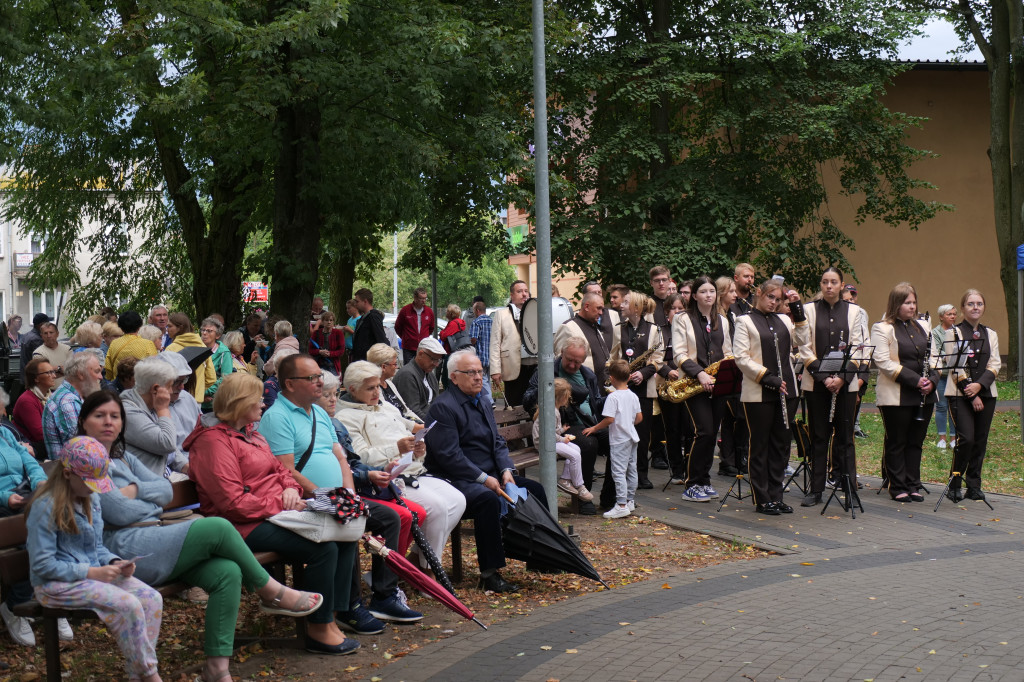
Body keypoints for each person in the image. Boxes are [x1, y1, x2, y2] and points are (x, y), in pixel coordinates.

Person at [79, 391, 322, 679]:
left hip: (155, 538)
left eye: (115, 416)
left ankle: (217, 670)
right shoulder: (82, 459)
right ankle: (270, 591)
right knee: (217, 526)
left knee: (227, 572)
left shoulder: (124, 458)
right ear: (83, 421)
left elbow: (165, 491)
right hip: (121, 551)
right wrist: (142, 499)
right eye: (99, 415)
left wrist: (133, 492)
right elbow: (118, 512)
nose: (108, 422)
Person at [184, 372, 361, 656]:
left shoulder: (252, 434)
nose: (263, 405)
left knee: (343, 533)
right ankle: (317, 627)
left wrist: (291, 489)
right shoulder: (213, 443)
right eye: (256, 400)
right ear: (239, 403)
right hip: (241, 526)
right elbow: (231, 503)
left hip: (274, 513)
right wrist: (281, 502)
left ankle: (332, 616)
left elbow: (281, 471)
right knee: (323, 548)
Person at [258, 354, 421, 623]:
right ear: (289, 384)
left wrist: (349, 496)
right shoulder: (277, 418)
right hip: (304, 502)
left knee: (388, 517)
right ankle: (347, 607)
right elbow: (285, 471)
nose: (319, 383)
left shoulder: (319, 413)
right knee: (343, 529)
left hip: (337, 497)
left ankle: (382, 596)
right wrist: (326, 498)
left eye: (319, 376)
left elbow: (341, 457)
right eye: (311, 378)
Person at [26, 436, 164, 681]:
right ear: (68, 474)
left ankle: (137, 674)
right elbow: (42, 565)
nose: (94, 488)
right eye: (90, 482)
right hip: (54, 585)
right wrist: (91, 573)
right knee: (128, 604)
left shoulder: (91, 499)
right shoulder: (45, 506)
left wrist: (114, 562)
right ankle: (150, 675)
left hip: (89, 576)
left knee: (151, 598)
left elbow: (97, 548)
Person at [424, 349, 547, 593]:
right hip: (456, 480)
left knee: (536, 490)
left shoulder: (481, 400)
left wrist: (506, 470)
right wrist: (483, 478)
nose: (479, 377)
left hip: (492, 473)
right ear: (454, 377)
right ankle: (489, 574)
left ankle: (539, 557)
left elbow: (497, 442)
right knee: (487, 500)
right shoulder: (443, 407)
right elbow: (449, 456)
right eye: (471, 372)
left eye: (481, 372)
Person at [336, 363, 467, 571]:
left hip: (415, 471)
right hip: (387, 479)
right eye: (370, 388)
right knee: (438, 507)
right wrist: (396, 448)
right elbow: (360, 457)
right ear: (352, 389)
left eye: (378, 386)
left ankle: (416, 560)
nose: (377, 392)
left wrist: (418, 450)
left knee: (458, 500)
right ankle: (429, 569)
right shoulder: (345, 418)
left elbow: (409, 435)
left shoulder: (387, 406)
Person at [734, 279, 808, 515]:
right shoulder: (744, 321)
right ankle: (762, 497)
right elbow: (741, 358)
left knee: (781, 445)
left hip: (787, 391)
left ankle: (776, 495)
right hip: (759, 391)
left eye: (778, 299)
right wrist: (767, 377)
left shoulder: (785, 319)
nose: (774, 303)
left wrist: (797, 308)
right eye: (771, 297)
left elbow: (804, 341)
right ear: (759, 293)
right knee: (760, 445)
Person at [797, 267, 867, 507]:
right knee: (819, 436)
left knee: (846, 437)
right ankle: (815, 489)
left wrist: (842, 378)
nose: (829, 286)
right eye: (825, 282)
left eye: (833, 282)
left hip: (845, 384)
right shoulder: (808, 310)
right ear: (821, 284)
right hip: (817, 383)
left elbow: (859, 346)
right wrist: (825, 377)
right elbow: (803, 346)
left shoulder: (855, 312)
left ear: (841, 285)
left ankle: (849, 489)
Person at [871, 283, 938, 503]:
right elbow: (882, 361)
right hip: (896, 394)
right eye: (907, 303)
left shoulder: (923, 327)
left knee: (915, 441)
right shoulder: (882, 328)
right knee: (897, 441)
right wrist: (916, 380)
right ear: (896, 304)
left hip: (924, 394)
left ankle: (913, 483)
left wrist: (933, 381)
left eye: (913, 302)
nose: (912, 307)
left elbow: (935, 359)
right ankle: (897, 485)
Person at [522, 337, 605, 515]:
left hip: (590, 422)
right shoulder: (547, 370)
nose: (574, 365)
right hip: (565, 425)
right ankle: (582, 498)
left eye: (578, 362)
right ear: (562, 353)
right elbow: (527, 400)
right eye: (570, 360)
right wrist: (547, 386)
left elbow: (596, 402)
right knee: (589, 444)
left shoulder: (587, 374)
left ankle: (610, 497)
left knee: (619, 440)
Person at [673, 276, 733, 503]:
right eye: (704, 291)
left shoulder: (722, 321)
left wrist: (725, 372)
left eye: (712, 291)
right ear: (695, 295)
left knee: (712, 433)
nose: (709, 295)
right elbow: (679, 353)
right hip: (693, 382)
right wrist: (699, 373)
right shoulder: (682, 318)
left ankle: (704, 480)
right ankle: (692, 483)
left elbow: (727, 352)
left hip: (718, 383)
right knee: (705, 431)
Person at [943, 289, 1000, 503]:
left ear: (983, 307)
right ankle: (955, 482)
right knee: (966, 438)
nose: (975, 307)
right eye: (970, 304)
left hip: (986, 393)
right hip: (960, 394)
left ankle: (974, 485)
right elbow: (954, 366)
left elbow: (994, 363)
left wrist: (980, 386)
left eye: (979, 303)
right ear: (963, 309)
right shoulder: (953, 333)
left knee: (980, 441)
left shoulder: (990, 333)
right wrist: (971, 391)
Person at [0, 423, 52, 647]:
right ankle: (15, 605)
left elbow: (29, 460)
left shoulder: (4, 433)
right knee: (34, 527)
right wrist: (4, 497)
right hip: (5, 502)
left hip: (23, 493)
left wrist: (39, 480)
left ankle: (51, 595)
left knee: (58, 514)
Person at [608, 292, 664, 490]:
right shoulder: (619, 329)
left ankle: (641, 473)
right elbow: (613, 356)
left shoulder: (654, 329)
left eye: (625, 302)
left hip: (643, 388)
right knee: (620, 430)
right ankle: (620, 473)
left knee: (642, 432)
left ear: (637, 308)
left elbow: (658, 359)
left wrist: (644, 373)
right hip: (622, 386)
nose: (621, 305)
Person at [582, 360, 641, 519]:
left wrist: (594, 428)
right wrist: (628, 422)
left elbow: (609, 419)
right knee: (631, 469)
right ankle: (630, 500)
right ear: (629, 377)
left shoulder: (613, 397)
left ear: (612, 378)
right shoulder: (633, 396)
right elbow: (639, 418)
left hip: (619, 439)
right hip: (632, 437)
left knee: (618, 472)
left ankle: (621, 504)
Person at [119, 357, 185, 476]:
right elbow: (167, 443)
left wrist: (186, 467)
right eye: (170, 385)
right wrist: (163, 409)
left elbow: (173, 451)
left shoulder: (150, 406)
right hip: (140, 488)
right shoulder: (128, 412)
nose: (171, 391)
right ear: (155, 389)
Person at [532, 378, 592, 501]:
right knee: (575, 455)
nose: (568, 399)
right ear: (561, 397)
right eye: (567, 396)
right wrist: (562, 439)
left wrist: (562, 431)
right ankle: (579, 485)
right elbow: (548, 435)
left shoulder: (555, 410)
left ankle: (565, 479)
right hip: (544, 443)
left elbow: (552, 430)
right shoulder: (552, 412)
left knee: (576, 448)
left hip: (551, 441)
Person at [43, 350, 103, 459]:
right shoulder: (67, 401)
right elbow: (82, 449)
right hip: (74, 471)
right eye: (97, 371)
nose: (100, 377)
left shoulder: (74, 396)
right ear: (80, 374)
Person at [554, 292, 620, 388]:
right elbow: (561, 363)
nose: (601, 313)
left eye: (602, 309)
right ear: (587, 306)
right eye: (598, 308)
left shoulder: (594, 325)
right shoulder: (568, 327)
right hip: (583, 389)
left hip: (602, 388)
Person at [489, 280, 537, 407]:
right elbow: (495, 344)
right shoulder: (501, 314)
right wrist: (495, 370)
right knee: (513, 405)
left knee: (534, 404)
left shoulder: (536, 312)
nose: (524, 294)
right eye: (519, 291)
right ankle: (512, 427)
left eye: (526, 291)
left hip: (535, 366)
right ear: (512, 295)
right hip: (512, 366)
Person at [715, 275, 745, 477]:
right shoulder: (718, 317)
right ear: (722, 293)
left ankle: (736, 457)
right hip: (723, 368)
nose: (736, 294)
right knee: (729, 417)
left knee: (737, 417)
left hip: (736, 368)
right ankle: (727, 460)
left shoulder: (731, 314)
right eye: (732, 291)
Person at [659, 294, 687, 485]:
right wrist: (668, 371)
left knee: (690, 429)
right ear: (666, 312)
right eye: (674, 309)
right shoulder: (660, 331)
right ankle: (677, 470)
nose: (678, 312)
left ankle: (691, 467)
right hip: (668, 386)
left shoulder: (688, 328)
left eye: (681, 308)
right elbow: (655, 358)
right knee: (673, 429)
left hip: (687, 384)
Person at [165, 313, 217, 405]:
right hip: (197, 402)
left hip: (175, 399)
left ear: (179, 328)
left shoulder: (171, 349)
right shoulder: (202, 346)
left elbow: (165, 377)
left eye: (169, 326)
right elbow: (211, 378)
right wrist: (199, 390)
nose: (167, 329)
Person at [391, 337, 445, 422]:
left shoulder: (429, 373)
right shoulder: (407, 375)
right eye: (433, 359)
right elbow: (412, 412)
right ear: (420, 354)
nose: (436, 364)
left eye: (438, 360)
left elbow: (436, 403)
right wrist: (437, 424)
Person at [366, 343, 422, 423]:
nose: (396, 367)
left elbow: (406, 410)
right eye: (395, 364)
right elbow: (387, 416)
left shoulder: (389, 383)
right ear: (383, 367)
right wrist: (416, 427)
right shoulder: (374, 389)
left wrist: (423, 424)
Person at [13, 358, 57, 456]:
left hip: (46, 444)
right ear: (36, 378)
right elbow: (40, 435)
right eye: (48, 373)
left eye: (53, 372)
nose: (54, 376)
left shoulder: (50, 395)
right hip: (32, 449)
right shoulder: (27, 401)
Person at [103, 311, 158, 382]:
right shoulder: (148, 344)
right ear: (139, 327)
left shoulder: (114, 343)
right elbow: (155, 368)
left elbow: (108, 370)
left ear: (121, 328)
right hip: (140, 386)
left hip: (119, 385)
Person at [932, 304, 958, 449]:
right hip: (942, 374)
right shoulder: (935, 332)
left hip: (955, 375)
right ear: (941, 316)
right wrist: (951, 357)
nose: (953, 317)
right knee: (941, 406)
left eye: (954, 314)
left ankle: (954, 438)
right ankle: (942, 438)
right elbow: (936, 352)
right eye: (949, 314)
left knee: (954, 407)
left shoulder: (958, 330)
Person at [394, 288, 436, 365]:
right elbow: (397, 327)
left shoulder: (429, 312)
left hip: (423, 347)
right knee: (409, 370)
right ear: (415, 298)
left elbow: (431, 328)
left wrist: (424, 337)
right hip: (409, 348)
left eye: (425, 298)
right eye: (421, 298)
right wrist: (406, 337)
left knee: (423, 369)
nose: (424, 301)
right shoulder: (405, 310)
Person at [199, 317, 232, 407]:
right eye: (203, 330)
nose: (204, 333)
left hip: (214, 403)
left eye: (209, 331)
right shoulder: (195, 349)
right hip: (195, 401)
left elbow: (226, 378)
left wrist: (204, 393)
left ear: (217, 335)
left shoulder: (223, 352)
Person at [32, 322, 73, 388]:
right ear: (41, 336)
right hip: (49, 392)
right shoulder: (38, 353)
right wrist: (60, 368)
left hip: (68, 390)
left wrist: (51, 371)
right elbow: (43, 375)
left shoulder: (67, 349)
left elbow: (73, 371)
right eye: (45, 333)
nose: (49, 336)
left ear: (57, 334)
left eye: (51, 332)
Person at [351, 289, 387, 363]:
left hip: (368, 362)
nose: (355, 304)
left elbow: (381, 339)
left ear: (365, 301)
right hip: (361, 361)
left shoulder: (373, 316)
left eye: (357, 301)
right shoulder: (364, 317)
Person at [468, 301, 493, 402]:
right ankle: (488, 399)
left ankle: (489, 401)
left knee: (483, 379)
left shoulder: (476, 322)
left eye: (474, 310)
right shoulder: (492, 321)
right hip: (492, 355)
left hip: (481, 356)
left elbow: (473, 338)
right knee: (488, 379)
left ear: (477, 310)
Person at [438, 304, 467, 388]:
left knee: (446, 379)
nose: (446, 312)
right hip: (457, 352)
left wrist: (442, 332)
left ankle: (450, 397)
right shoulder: (460, 322)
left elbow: (444, 336)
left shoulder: (453, 323)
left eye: (447, 311)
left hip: (451, 352)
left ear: (451, 313)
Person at [309, 311, 346, 375]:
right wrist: (319, 352)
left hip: (333, 365)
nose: (329, 322)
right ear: (322, 321)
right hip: (319, 364)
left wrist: (330, 353)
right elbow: (310, 350)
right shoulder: (316, 333)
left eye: (331, 320)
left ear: (333, 321)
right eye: (326, 320)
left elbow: (341, 351)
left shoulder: (338, 333)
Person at [19, 313, 50, 384]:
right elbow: (41, 359)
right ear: (41, 325)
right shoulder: (37, 339)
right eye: (47, 324)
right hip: (34, 377)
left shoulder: (26, 335)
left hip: (26, 375)